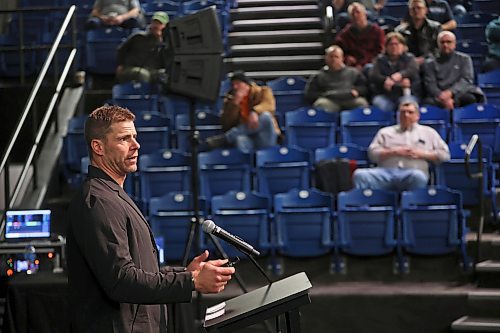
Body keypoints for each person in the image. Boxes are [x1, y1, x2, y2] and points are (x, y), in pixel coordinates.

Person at [66, 105, 235, 332]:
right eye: (124, 139)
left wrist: (186, 274)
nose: (136, 145)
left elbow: (140, 269)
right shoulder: (99, 202)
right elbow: (121, 280)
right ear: (98, 147)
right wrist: (192, 282)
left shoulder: (111, 194)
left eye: (135, 137)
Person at [352, 98, 450, 191]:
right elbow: (372, 154)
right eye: (403, 112)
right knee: (360, 175)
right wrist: (393, 152)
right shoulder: (385, 132)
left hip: (412, 173)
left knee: (418, 176)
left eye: (410, 112)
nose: (406, 115)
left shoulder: (429, 132)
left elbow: (445, 155)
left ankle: (412, 205)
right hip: (385, 173)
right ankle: (365, 206)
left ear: (417, 116)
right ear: (398, 115)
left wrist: (422, 154)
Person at [206, 71, 280, 153]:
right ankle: (245, 162)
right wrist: (235, 104)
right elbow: (226, 124)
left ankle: (226, 138)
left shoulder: (263, 91)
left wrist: (254, 112)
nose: (235, 87)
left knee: (265, 116)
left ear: (246, 84)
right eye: (233, 85)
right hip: (246, 136)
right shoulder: (230, 100)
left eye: (238, 84)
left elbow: (269, 106)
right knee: (239, 139)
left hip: (265, 136)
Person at [423, 30, 485, 110]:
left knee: (470, 98)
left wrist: (450, 93)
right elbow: (430, 84)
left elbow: (466, 80)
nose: (445, 45)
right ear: (438, 44)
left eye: (449, 42)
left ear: (454, 44)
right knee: (427, 103)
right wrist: (443, 97)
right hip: (439, 96)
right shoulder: (430, 63)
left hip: (460, 93)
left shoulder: (464, 59)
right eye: (442, 42)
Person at [304, 45, 369, 113]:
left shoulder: (353, 72)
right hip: (330, 101)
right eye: (331, 56)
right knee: (321, 104)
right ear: (326, 58)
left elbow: (364, 88)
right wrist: (325, 95)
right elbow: (310, 94)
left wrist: (357, 91)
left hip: (350, 100)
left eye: (336, 57)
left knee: (361, 103)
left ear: (342, 58)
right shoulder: (318, 76)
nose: (333, 59)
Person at [369, 32, 421, 112]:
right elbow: (374, 75)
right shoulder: (379, 60)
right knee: (381, 105)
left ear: (403, 46)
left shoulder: (410, 58)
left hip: (406, 94)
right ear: (386, 47)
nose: (394, 47)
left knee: (406, 106)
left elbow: (412, 70)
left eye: (397, 44)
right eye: (391, 44)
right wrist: (386, 80)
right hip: (385, 94)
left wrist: (399, 75)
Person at [116, 11, 171, 83]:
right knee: (143, 74)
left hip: (152, 70)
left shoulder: (166, 42)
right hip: (131, 68)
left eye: (159, 23)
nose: (156, 25)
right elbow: (121, 50)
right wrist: (121, 64)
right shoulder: (138, 36)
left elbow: (166, 61)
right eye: (155, 22)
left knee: (165, 73)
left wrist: (159, 40)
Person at [334, 2, 386, 71]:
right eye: (353, 14)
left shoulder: (377, 31)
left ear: (365, 14)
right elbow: (339, 50)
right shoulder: (345, 34)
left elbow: (380, 52)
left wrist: (363, 64)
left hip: (372, 65)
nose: (355, 15)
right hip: (351, 67)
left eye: (358, 12)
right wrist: (347, 58)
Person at [396, 0, 442, 65]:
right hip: (407, 64)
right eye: (413, 8)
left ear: (426, 10)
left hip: (430, 64)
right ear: (410, 11)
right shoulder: (400, 30)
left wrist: (424, 59)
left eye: (419, 8)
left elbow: (438, 50)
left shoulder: (435, 28)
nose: (416, 11)